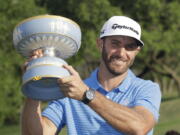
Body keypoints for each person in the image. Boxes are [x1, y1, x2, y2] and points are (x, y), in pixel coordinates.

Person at [21, 16, 161, 135]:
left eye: (130, 46)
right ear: (100, 44)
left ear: (137, 51)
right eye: (115, 43)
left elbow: (140, 126)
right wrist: (34, 84)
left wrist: (86, 95)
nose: (121, 53)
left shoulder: (147, 88)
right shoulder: (71, 90)